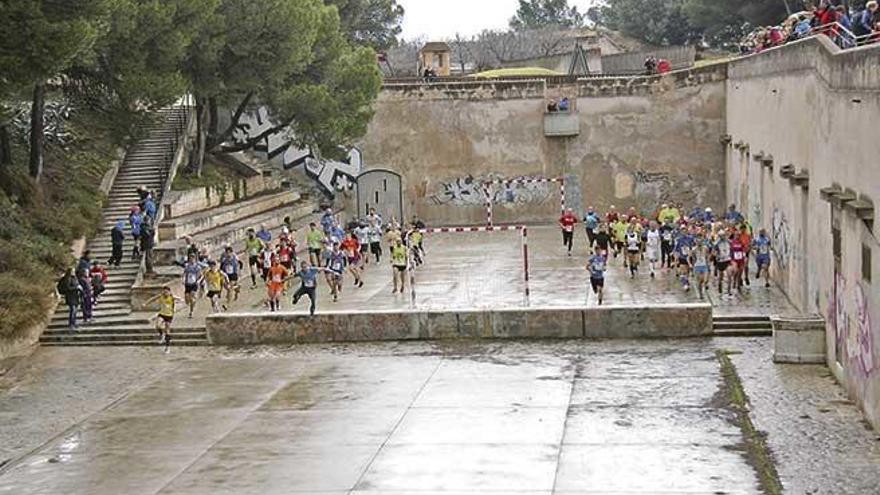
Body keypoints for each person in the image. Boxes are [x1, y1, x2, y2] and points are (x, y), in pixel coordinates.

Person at [143, 286, 182, 353]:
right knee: (157, 326)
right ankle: (161, 334)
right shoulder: (160, 296)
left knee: (167, 330)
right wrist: (146, 303)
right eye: (164, 292)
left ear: (169, 292)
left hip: (169, 315)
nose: (165, 293)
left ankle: (167, 347)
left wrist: (180, 300)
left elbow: (179, 299)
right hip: (162, 314)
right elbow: (152, 299)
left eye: (167, 292)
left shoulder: (172, 297)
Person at [691, 232, 712, 300]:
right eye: (698, 242)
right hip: (697, 266)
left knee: (704, 280)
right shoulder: (694, 250)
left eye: (700, 242)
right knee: (699, 281)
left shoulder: (705, 248)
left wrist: (708, 264)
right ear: (696, 242)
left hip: (704, 265)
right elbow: (693, 259)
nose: (699, 243)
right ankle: (700, 294)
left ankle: (705, 285)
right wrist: (692, 267)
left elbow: (707, 256)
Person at [714, 231, 734, 296]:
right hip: (720, 261)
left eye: (724, 235)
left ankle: (729, 290)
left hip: (727, 260)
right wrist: (716, 256)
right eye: (721, 235)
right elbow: (714, 252)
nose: (723, 237)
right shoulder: (717, 243)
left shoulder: (729, 242)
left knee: (729, 275)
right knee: (721, 277)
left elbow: (732, 250)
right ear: (719, 236)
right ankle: (720, 286)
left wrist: (731, 257)